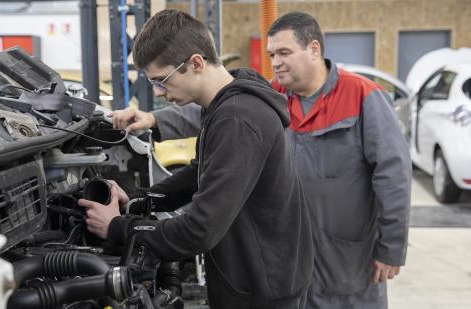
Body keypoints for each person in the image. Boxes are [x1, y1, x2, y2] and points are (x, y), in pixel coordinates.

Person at [111, 11, 412, 309]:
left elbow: (393, 175)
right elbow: (208, 119)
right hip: (281, 248)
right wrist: (153, 121)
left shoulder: (361, 95)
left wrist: (391, 248)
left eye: (284, 52)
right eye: (271, 54)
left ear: (314, 49)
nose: (276, 61)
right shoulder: (267, 93)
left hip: (339, 247)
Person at [79, 9, 313, 309]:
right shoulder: (226, 104)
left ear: (196, 63)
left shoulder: (238, 118)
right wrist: (139, 201)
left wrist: (118, 227)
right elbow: (199, 174)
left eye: (161, 81)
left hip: (261, 290)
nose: (160, 93)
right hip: (261, 273)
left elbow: (199, 230)